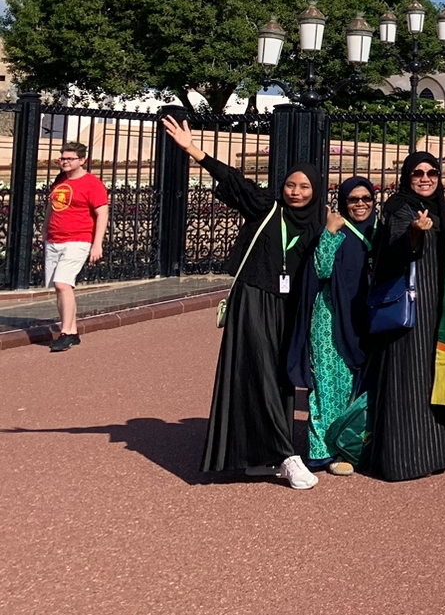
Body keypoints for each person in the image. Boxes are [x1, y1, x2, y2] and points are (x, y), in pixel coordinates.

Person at [158, 115, 320, 489]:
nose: (295, 192)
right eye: (290, 185)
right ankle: (287, 456)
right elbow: (234, 181)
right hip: (254, 299)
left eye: (304, 187)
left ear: (315, 190)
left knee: (278, 378)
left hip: (289, 309)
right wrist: (193, 150)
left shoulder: (317, 225)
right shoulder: (267, 207)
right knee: (260, 372)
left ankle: (259, 455)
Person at [365, 150, 445, 482]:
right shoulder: (400, 208)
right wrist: (416, 232)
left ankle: (435, 453)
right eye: (418, 173)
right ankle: (403, 460)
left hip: (436, 307)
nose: (425, 178)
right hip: (412, 308)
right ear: (407, 177)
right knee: (409, 379)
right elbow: (395, 247)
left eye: (432, 173)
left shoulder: (440, 208)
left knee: (432, 377)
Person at [288, 176, 374, 476]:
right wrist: (329, 232)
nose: (360, 204)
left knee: (358, 386)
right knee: (327, 386)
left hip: (366, 318)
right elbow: (321, 269)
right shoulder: (334, 229)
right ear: (344, 203)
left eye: (366, 198)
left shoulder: (377, 231)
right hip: (330, 319)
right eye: (353, 199)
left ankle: (353, 445)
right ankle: (323, 451)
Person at [44, 141, 109, 353]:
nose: (65, 162)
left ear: (82, 160)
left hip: (78, 239)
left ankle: (66, 333)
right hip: (55, 239)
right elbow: (52, 206)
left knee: (62, 283)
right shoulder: (60, 180)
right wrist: (45, 229)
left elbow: (102, 214)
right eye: (62, 158)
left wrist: (97, 244)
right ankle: (71, 331)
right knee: (60, 287)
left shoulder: (92, 184)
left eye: (70, 159)